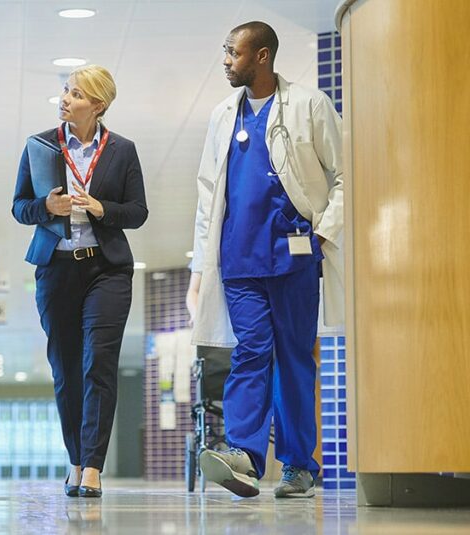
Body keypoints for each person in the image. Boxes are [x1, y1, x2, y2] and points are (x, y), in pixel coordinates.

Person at [190, 21, 344, 499]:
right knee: (251, 352)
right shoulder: (221, 115)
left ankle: (299, 466)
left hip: (295, 255)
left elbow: (345, 175)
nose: (225, 61)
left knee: (295, 359)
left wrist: (323, 234)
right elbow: (207, 193)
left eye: (233, 53)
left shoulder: (311, 105)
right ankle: (244, 456)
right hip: (238, 260)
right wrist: (201, 267)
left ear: (261, 57)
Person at [12, 65, 148, 498]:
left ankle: (92, 466)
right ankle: (75, 459)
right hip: (56, 269)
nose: (65, 99)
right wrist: (45, 206)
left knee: (99, 365)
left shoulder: (122, 150)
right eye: (65, 91)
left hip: (106, 269)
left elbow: (138, 212)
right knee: (67, 369)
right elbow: (19, 206)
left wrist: (101, 207)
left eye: (75, 94)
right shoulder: (39, 145)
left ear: (98, 105)